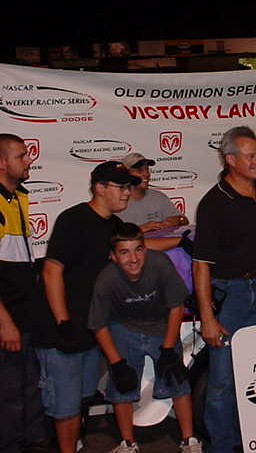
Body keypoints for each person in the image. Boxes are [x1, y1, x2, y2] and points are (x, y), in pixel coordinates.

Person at [31, 161, 140, 453]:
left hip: (91, 327)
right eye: (120, 186)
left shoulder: (115, 226)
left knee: (82, 397)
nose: (127, 192)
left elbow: (137, 248)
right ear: (99, 188)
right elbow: (51, 271)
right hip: (60, 328)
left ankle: (75, 444)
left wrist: (184, 241)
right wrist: (63, 322)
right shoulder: (73, 219)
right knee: (65, 406)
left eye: (129, 187)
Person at [192, 126, 256, 453]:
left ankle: (248, 440)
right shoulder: (213, 204)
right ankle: (220, 447)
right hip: (227, 296)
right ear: (230, 160)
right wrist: (208, 318)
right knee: (221, 380)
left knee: (253, 373)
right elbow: (200, 264)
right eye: (250, 156)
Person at [88, 223, 202, 452]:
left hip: (160, 325)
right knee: (121, 384)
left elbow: (176, 306)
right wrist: (117, 363)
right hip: (123, 327)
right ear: (113, 256)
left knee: (177, 380)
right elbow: (98, 325)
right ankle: (128, 443)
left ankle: (189, 440)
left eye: (138, 250)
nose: (133, 259)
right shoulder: (106, 279)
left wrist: (168, 349)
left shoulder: (160, 264)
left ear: (145, 249)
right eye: (124, 252)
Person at [0, 133, 50, 452]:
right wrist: (5, 322)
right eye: (21, 155)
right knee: (8, 393)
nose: (29, 159)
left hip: (25, 312)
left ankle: (34, 440)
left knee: (30, 384)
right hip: (7, 316)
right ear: (2, 163)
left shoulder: (19, 196)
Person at [119, 153, 188, 232]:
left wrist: (177, 220)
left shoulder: (158, 197)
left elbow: (184, 220)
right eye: (139, 170)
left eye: (147, 170)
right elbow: (112, 235)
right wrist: (140, 229)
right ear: (125, 174)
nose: (146, 174)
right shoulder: (116, 202)